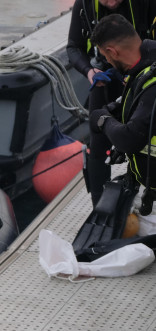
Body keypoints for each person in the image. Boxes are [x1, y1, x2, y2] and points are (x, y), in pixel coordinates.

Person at [66, 0, 156, 205]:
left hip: (143, 68)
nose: (112, 2)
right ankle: (99, 204)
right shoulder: (85, 5)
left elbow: (129, 138)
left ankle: (143, 183)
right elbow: (73, 46)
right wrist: (89, 71)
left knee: (140, 132)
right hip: (105, 75)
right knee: (97, 138)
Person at [89, 13, 156, 214]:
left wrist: (103, 120)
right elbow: (137, 106)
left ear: (112, 51)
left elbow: (129, 138)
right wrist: (113, 113)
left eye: (105, 56)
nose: (107, 61)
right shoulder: (145, 66)